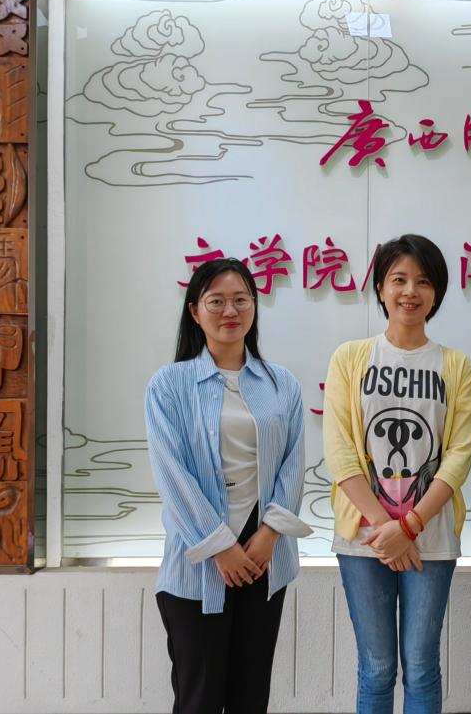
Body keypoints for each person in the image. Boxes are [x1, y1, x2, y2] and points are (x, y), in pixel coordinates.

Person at [322, 234, 471, 714]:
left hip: (430, 537)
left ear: (437, 293)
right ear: (381, 287)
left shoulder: (456, 365)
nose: (410, 291)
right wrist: (384, 528)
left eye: (423, 281)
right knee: (375, 667)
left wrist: (408, 526)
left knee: (421, 665)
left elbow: (459, 455)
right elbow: (341, 452)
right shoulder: (350, 357)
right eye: (399, 279)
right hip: (364, 539)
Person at [145, 257, 311, 714]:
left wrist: (270, 533)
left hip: (264, 559)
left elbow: (293, 466)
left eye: (241, 299)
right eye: (216, 301)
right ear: (195, 311)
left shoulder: (282, 384)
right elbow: (172, 475)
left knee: (250, 697)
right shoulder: (170, 385)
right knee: (198, 698)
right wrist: (219, 546)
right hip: (197, 563)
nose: (230, 310)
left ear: (255, 306)